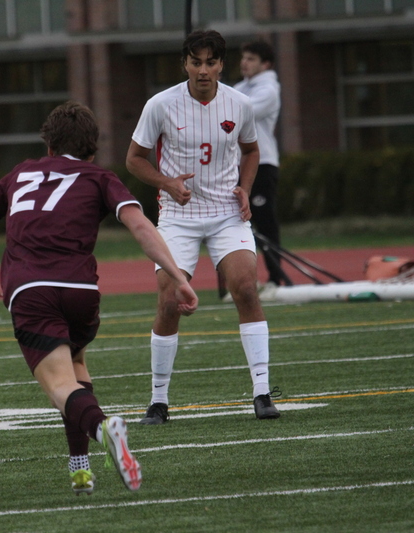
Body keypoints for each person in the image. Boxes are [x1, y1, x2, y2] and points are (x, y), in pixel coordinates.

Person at [0, 101, 198, 495]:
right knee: (76, 363)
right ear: (91, 150)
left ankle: (104, 428)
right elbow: (140, 226)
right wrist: (176, 276)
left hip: (31, 291)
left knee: (60, 387)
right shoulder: (100, 176)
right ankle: (80, 468)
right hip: (82, 294)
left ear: (48, 146)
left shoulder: (19, 174)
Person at [125, 30, 282, 425]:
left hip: (227, 214)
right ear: (185, 64)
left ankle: (262, 393)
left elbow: (251, 150)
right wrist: (166, 183)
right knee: (169, 301)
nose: (203, 70)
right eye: (196, 62)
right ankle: (159, 401)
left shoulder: (239, 103)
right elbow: (134, 159)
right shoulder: (160, 105)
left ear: (221, 65)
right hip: (179, 216)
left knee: (246, 288)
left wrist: (244, 190)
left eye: (211, 62)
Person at [234, 40, 285, 288]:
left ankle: (276, 276)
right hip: (237, 165)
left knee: (264, 221)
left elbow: (239, 114)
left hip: (262, 163)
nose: (244, 62)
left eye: (251, 58)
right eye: (244, 57)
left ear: (266, 64)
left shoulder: (268, 90)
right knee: (237, 224)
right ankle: (242, 278)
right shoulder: (240, 87)